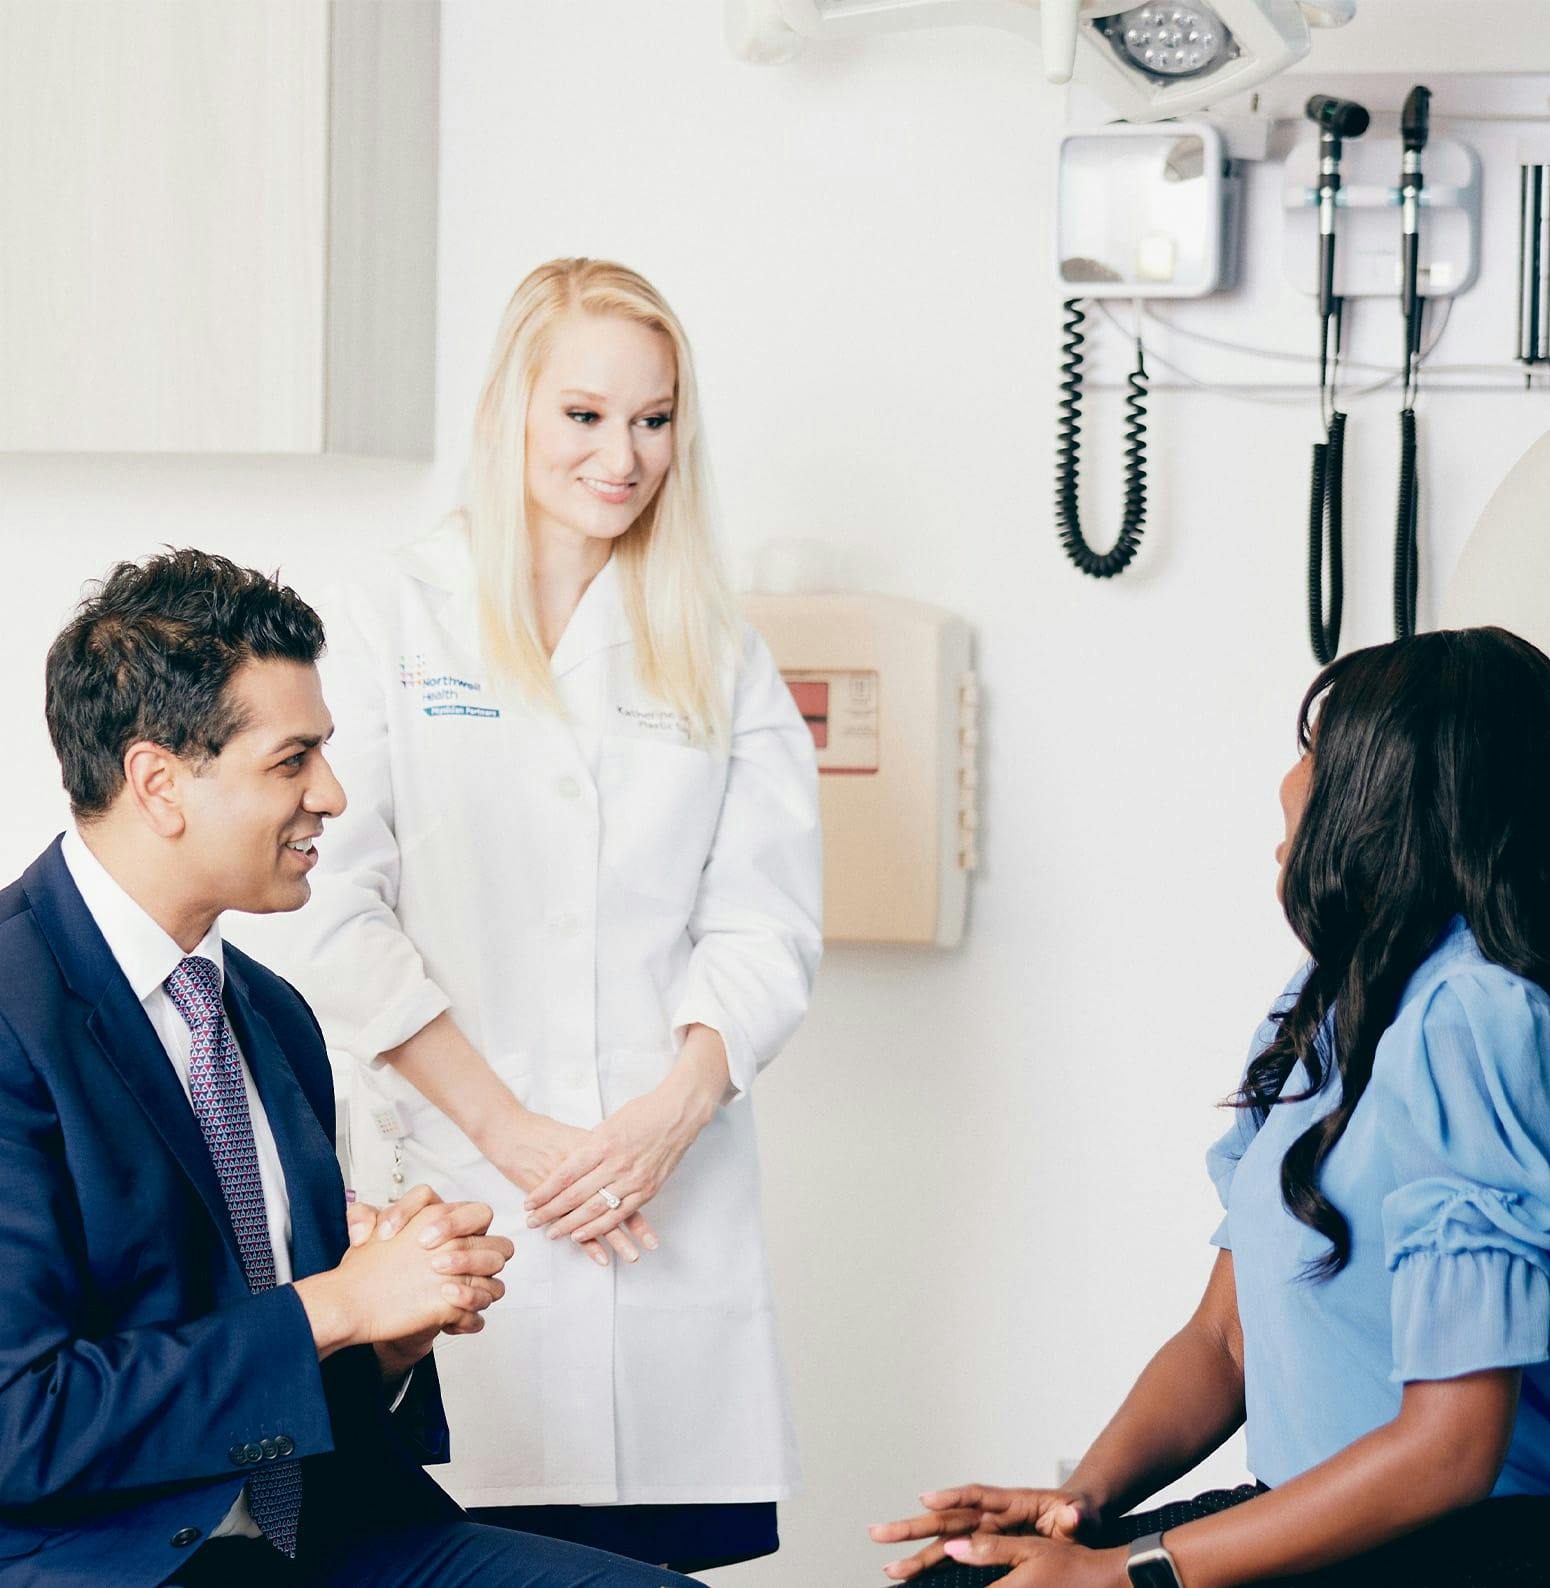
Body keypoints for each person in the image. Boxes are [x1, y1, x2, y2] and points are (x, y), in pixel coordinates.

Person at [233, 258, 822, 1572]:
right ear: (513, 411)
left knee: (660, 1567)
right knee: (466, 1550)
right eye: (585, 415)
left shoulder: (713, 643)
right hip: (459, 1188)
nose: (623, 457)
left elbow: (766, 927)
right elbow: (327, 899)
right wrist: (517, 1140)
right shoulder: (393, 616)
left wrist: (661, 1125)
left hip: (666, 1201)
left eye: (654, 420)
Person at [0, 549, 705, 1587]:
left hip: (331, 1536)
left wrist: (393, 1336)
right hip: (112, 1563)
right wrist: (337, 1304)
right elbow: (20, 1421)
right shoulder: (14, 1013)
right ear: (159, 783)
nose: (331, 794)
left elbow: (289, 1379)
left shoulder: (271, 1016)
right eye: (292, 760)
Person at [870, 628, 1550, 1587]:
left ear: (1389, 786)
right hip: (1322, 1514)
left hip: (1469, 1547)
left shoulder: (1475, 1016)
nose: (1289, 777)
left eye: (1318, 746)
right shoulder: (1325, 1000)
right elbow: (1223, 1341)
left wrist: (1126, 1575)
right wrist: (1080, 1512)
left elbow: (1449, 1454)